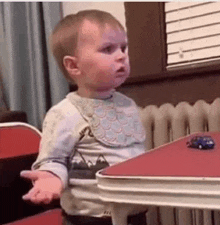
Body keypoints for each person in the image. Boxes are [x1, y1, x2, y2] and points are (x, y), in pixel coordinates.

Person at [20, 9, 147, 225]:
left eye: (123, 48)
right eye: (108, 49)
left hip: (134, 213)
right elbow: (53, 159)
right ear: (74, 65)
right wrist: (50, 178)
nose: (121, 55)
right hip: (89, 218)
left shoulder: (129, 105)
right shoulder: (65, 113)